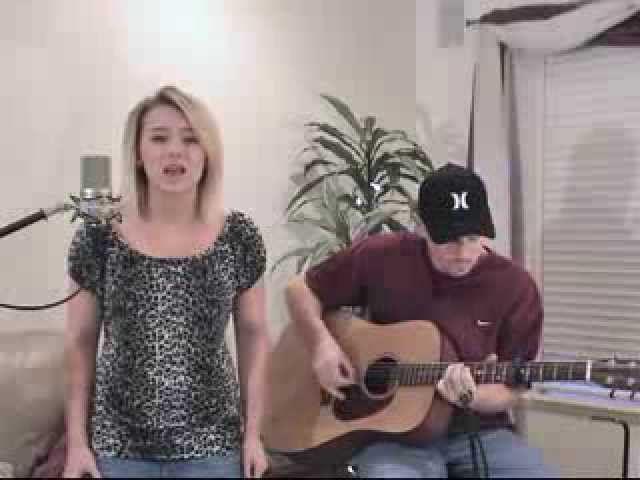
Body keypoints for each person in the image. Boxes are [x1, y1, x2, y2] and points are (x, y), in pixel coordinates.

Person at [285, 163, 556, 478]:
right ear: (422, 227)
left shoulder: (515, 287)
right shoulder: (382, 256)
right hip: (391, 435)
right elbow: (299, 290)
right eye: (448, 239)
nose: (463, 252)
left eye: (472, 237)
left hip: (479, 431)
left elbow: (513, 388)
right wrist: (321, 345)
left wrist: (472, 396)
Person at [63, 86, 269, 478]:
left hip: (214, 448)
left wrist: (254, 436)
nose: (175, 151)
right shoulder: (98, 235)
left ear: (208, 153)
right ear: (138, 153)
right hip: (118, 450)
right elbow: (79, 342)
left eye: (191, 139)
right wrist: (76, 443)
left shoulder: (239, 236)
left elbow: (254, 337)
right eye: (159, 138)